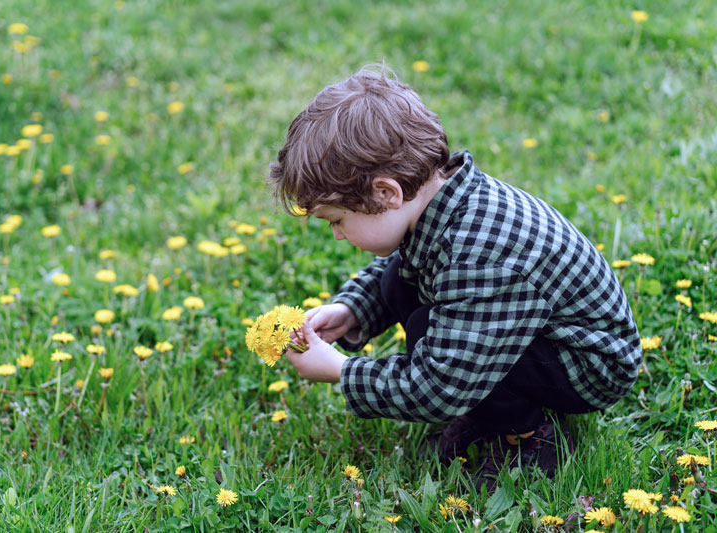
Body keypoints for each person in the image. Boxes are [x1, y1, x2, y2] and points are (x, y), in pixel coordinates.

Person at [267, 64, 641, 489]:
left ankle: (529, 440)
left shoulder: (480, 255)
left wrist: (342, 371)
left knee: (436, 336)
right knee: (397, 278)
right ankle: (487, 410)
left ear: (387, 193)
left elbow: (439, 385)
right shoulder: (440, 204)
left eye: (336, 220)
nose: (337, 235)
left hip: (586, 364)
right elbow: (401, 269)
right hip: (535, 331)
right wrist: (351, 311)